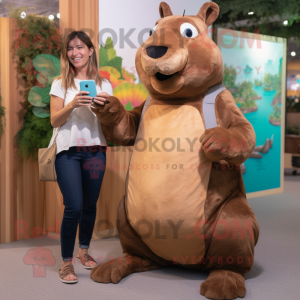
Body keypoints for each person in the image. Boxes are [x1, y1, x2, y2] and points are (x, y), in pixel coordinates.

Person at [49, 30, 112, 284]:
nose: (75, 52)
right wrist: (73, 104)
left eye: (80, 47)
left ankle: (84, 252)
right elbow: (54, 120)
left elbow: (110, 123)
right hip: (68, 152)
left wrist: (105, 108)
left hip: (95, 151)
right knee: (73, 206)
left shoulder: (105, 84)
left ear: (90, 50)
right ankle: (66, 263)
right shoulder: (60, 83)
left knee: (89, 205)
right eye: (70, 48)